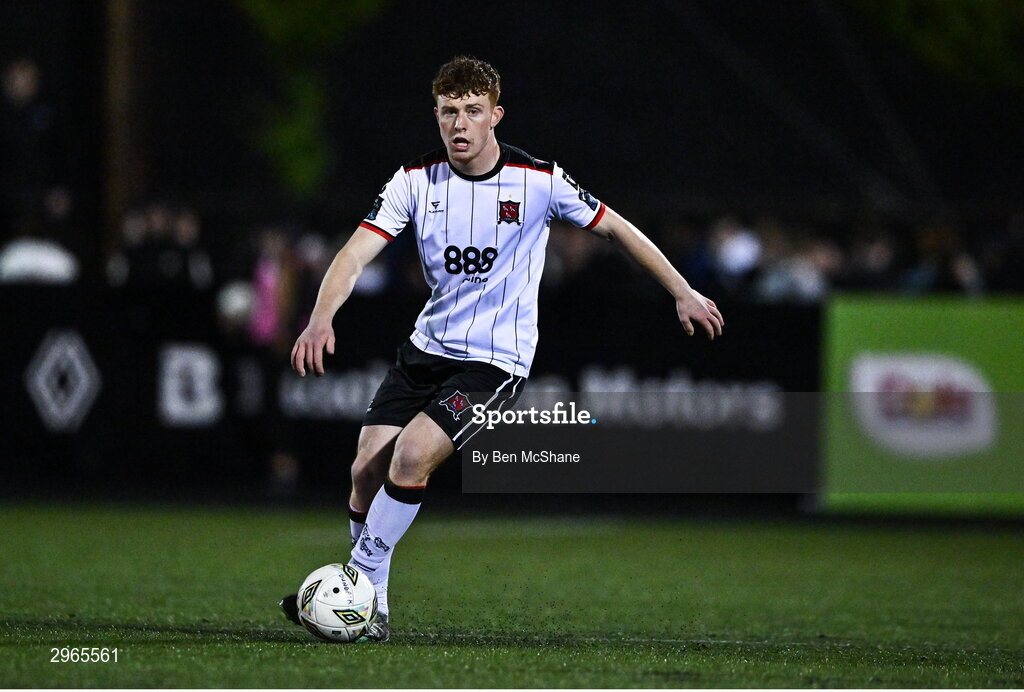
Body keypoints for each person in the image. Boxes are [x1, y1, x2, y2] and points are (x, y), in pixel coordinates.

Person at [279, 56, 724, 642]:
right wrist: (319, 318)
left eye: (471, 112)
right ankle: (374, 606)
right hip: (424, 351)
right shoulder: (415, 180)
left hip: (494, 362)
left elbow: (616, 227)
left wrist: (682, 290)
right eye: (447, 112)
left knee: (411, 457)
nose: (459, 125)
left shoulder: (537, 180)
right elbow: (355, 253)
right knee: (364, 471)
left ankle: (356, 583)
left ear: (495, 115)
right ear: (435, 116)